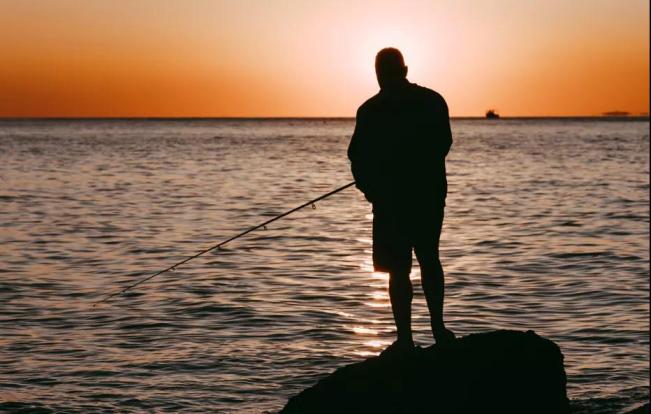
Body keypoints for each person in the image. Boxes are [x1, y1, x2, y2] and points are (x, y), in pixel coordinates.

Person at [348, 48, 455, 354]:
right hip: (426, 196)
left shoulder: (370, 110)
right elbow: (443, 144)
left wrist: (372, 189)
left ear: (379, 74)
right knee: (428, 259)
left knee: (399, 269)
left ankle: (406, 339)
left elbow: (357, 158)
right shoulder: (433, 101)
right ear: (405, 70)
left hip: (392, 201)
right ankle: (437, 330)